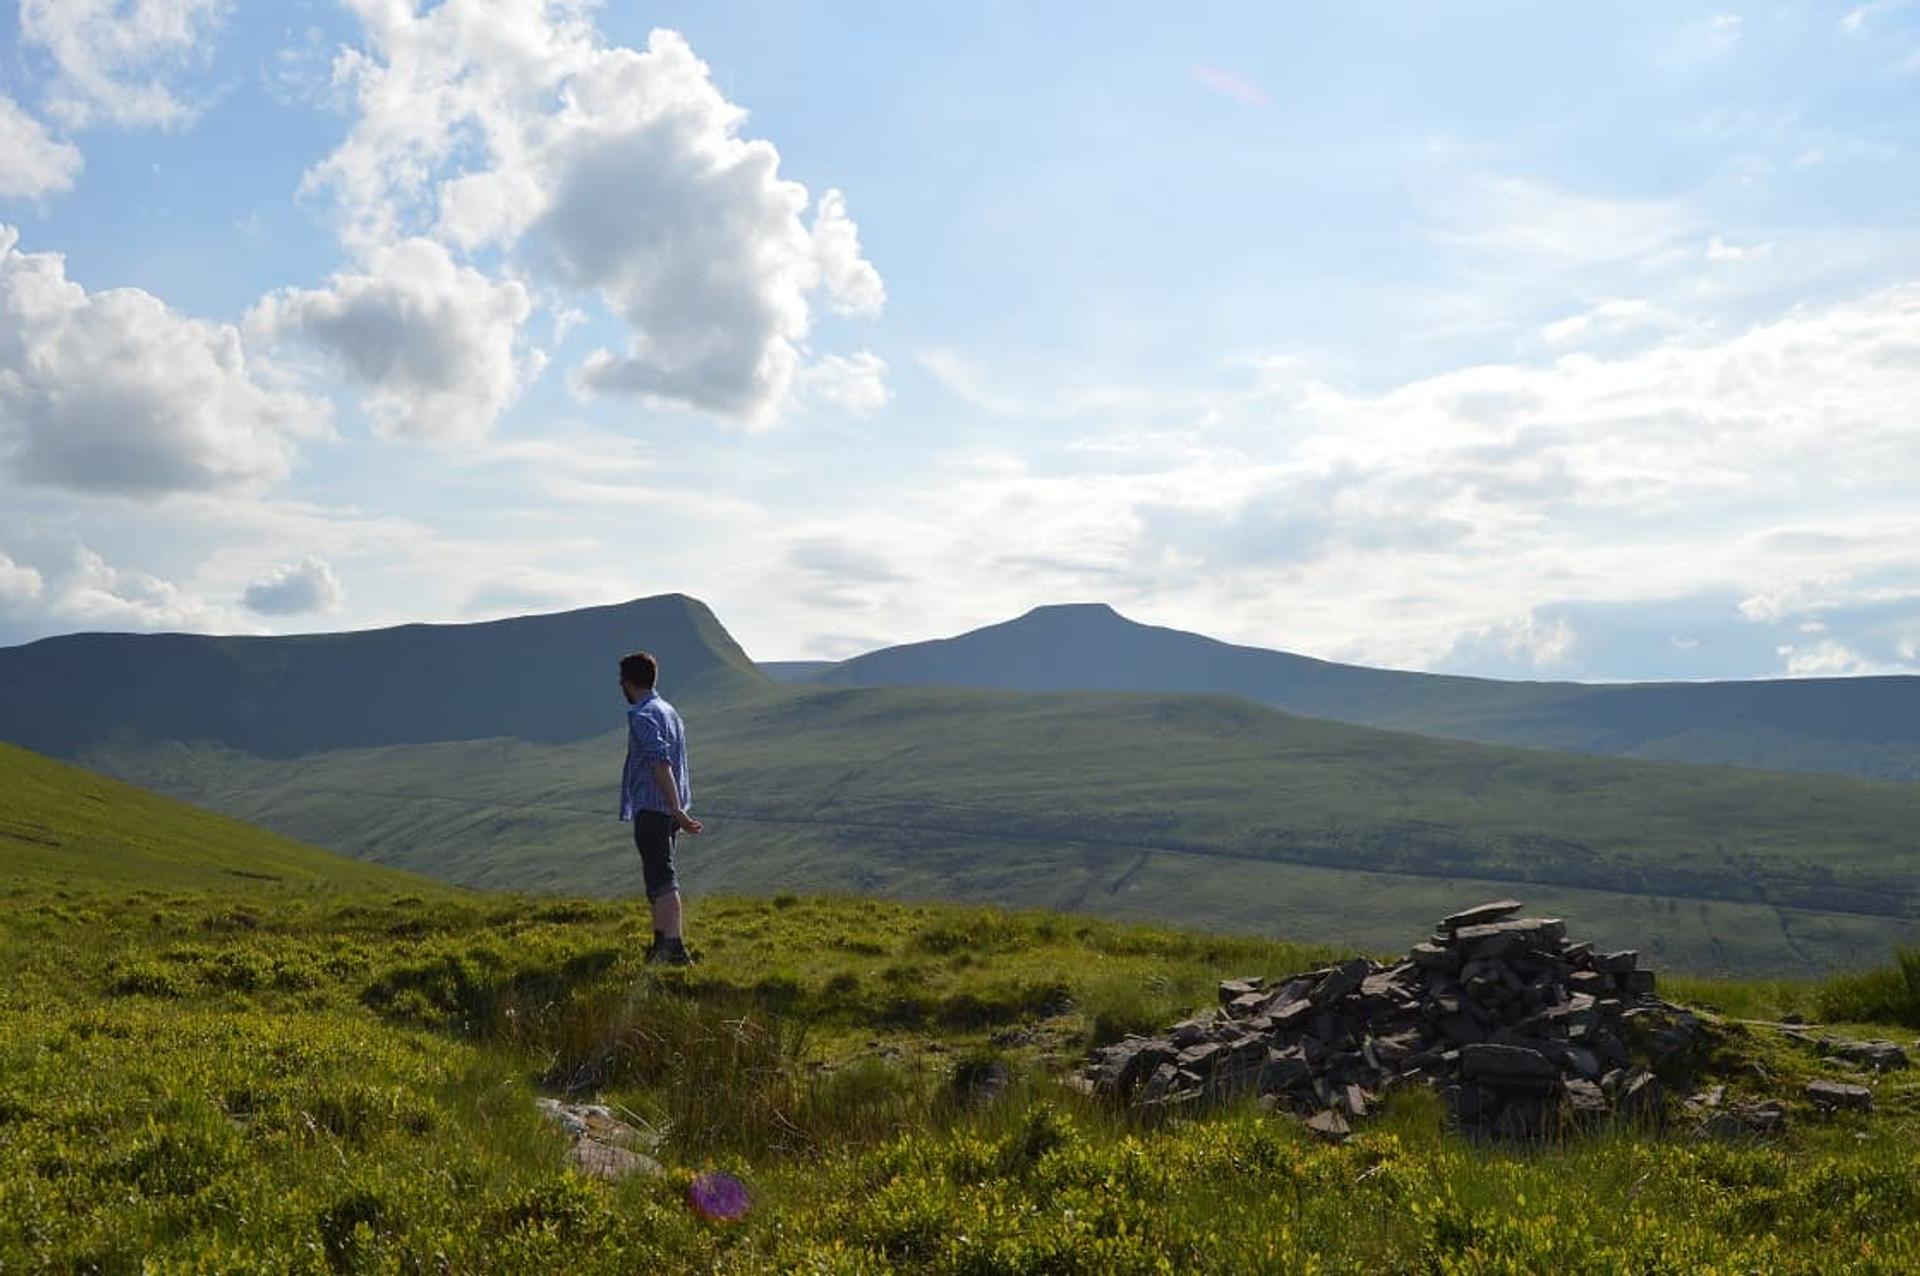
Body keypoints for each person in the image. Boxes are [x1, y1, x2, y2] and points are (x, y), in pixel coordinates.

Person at [618, 650, 702, 965]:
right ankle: (660, 943)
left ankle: (673, 946)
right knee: (658, 874)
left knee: (662, 877)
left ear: (628, 682)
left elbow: (660, 763)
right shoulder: (668, 710)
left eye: (622, 681)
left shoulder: (642, 715)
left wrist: (675, 807)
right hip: (667, 809)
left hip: (655, 807)